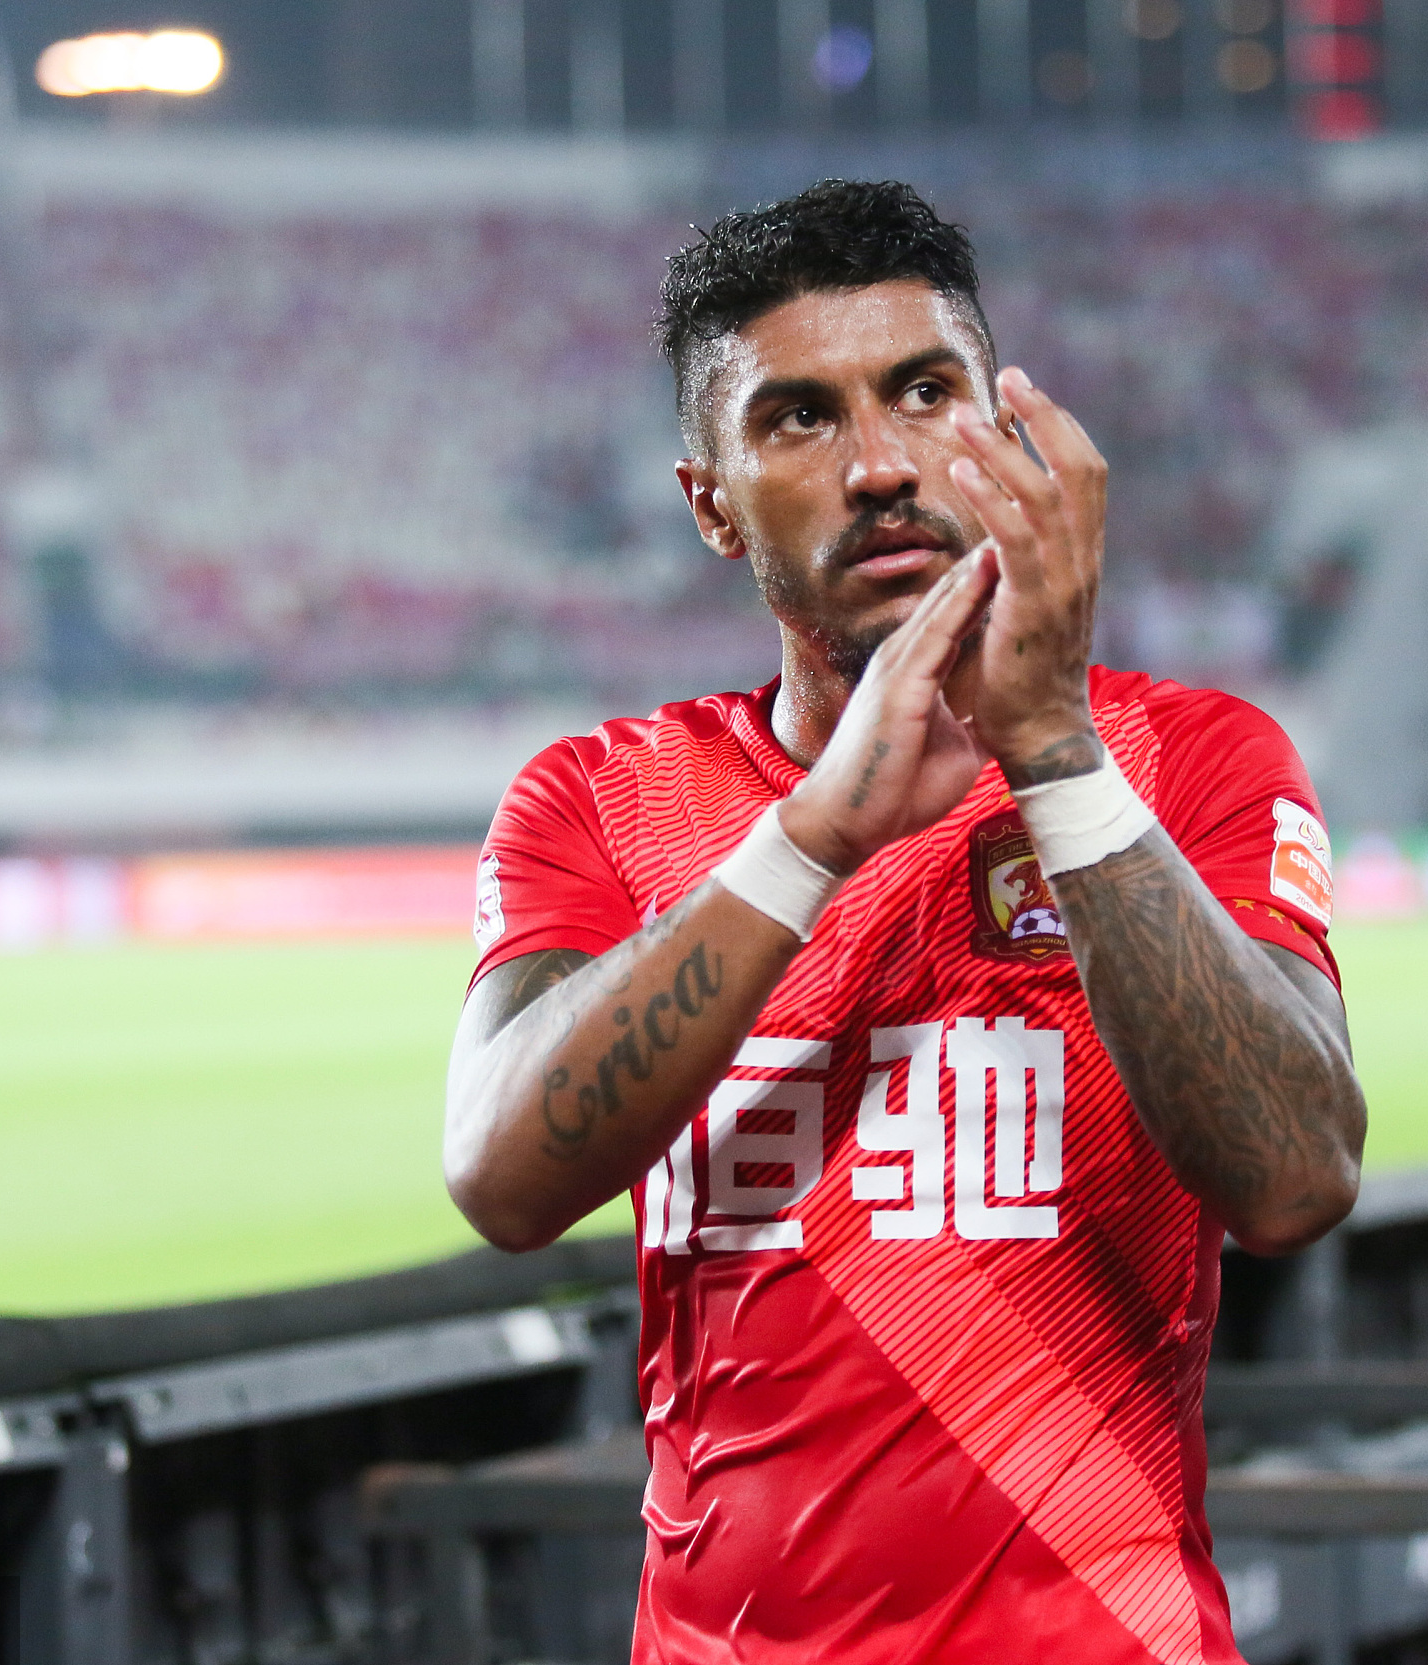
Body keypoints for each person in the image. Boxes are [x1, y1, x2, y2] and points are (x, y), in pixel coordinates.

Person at [444, 179, 1366, 1665]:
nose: (879, 464)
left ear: (1004, 436)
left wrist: (1054, 753)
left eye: (925, 394)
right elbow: (501, 1177)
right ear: (710, 502)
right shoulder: (601, 797)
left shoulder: (1187, 759)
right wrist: (811, 838)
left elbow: (1296, 1178)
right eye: (800, 418)